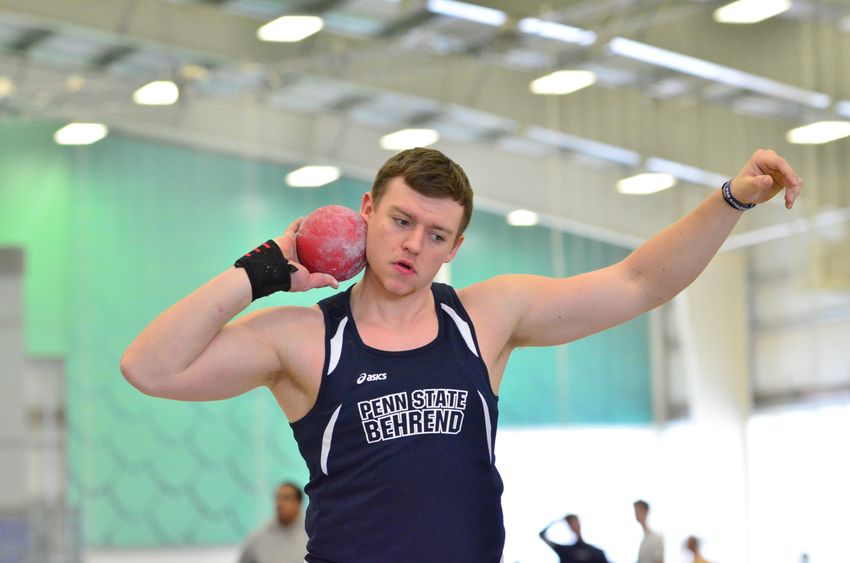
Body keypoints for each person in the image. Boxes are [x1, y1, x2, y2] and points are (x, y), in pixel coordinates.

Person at [120, 147, 801, 562]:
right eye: (401, 220)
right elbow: (150, 366)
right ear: (366, 212)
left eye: (437, 233)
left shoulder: (485, 319)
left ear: (456, 247)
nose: (414, 244)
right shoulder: (304, 338)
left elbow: (638, 281)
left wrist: (732, 198)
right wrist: (264, 268)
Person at [238, 482, 308, 563]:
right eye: (278, 498)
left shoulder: (311, 536)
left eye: (287, 498)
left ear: (299, 503)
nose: (280, 504)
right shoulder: (258, 538)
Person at [539, 513, 609, 563]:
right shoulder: (564, 550)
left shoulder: (596, 552)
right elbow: (542, 535)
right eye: (570, 523)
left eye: (576, 522)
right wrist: (558, 520)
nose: (574, 526)